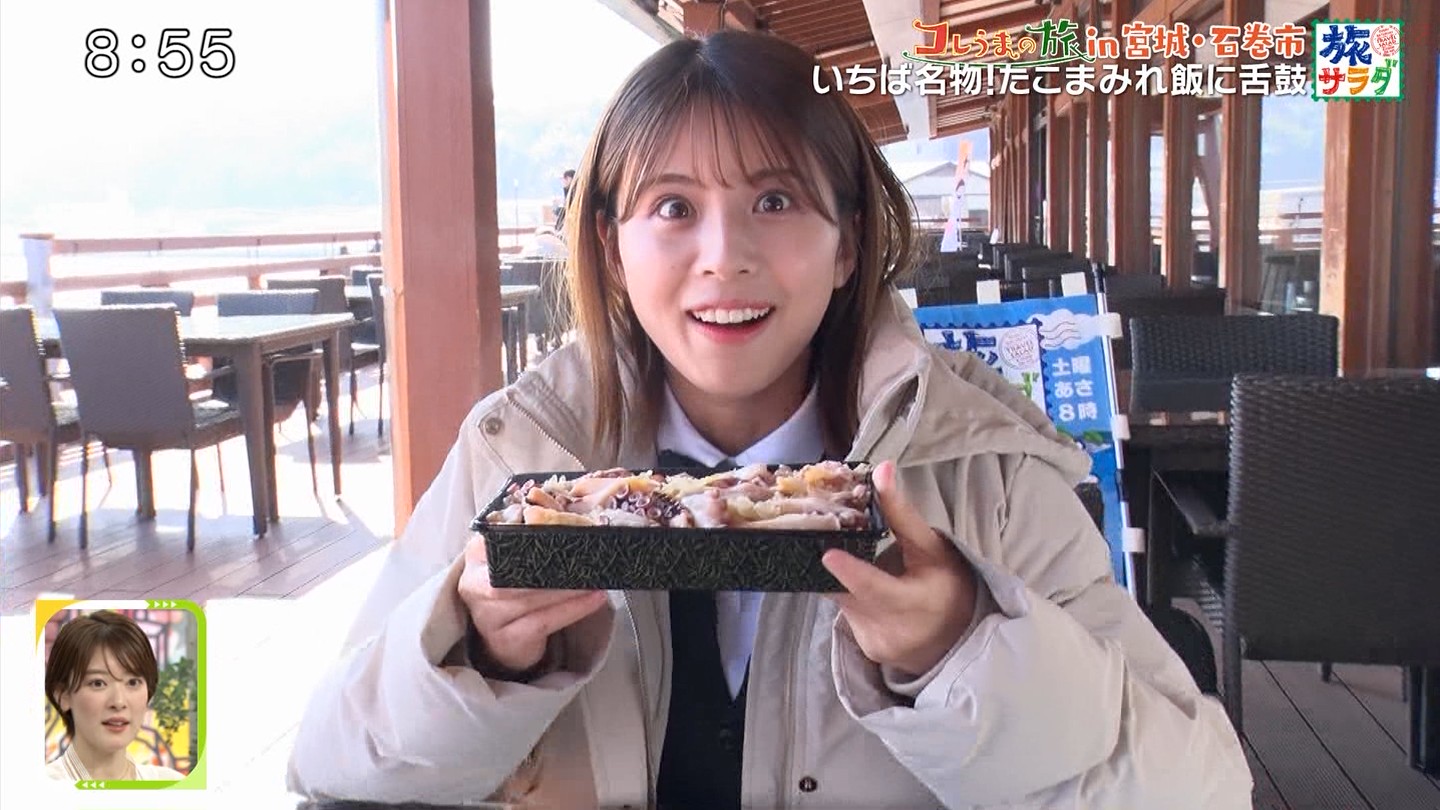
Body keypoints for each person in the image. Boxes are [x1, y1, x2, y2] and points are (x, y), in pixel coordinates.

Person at [287, 30, 1251, 808]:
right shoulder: (520, 455)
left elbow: (1200, 790)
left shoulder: (979, 469)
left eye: (776, 199)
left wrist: (964, 649)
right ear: (614, 249)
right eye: (673, 207)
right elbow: (330, 764)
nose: (725, 255)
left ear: (848, 244)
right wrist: (475, 649)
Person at [44, 611, 186, 782]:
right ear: (62, 695)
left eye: (133, 682)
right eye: (98, 683)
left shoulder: (172, 784)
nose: (118, 702)